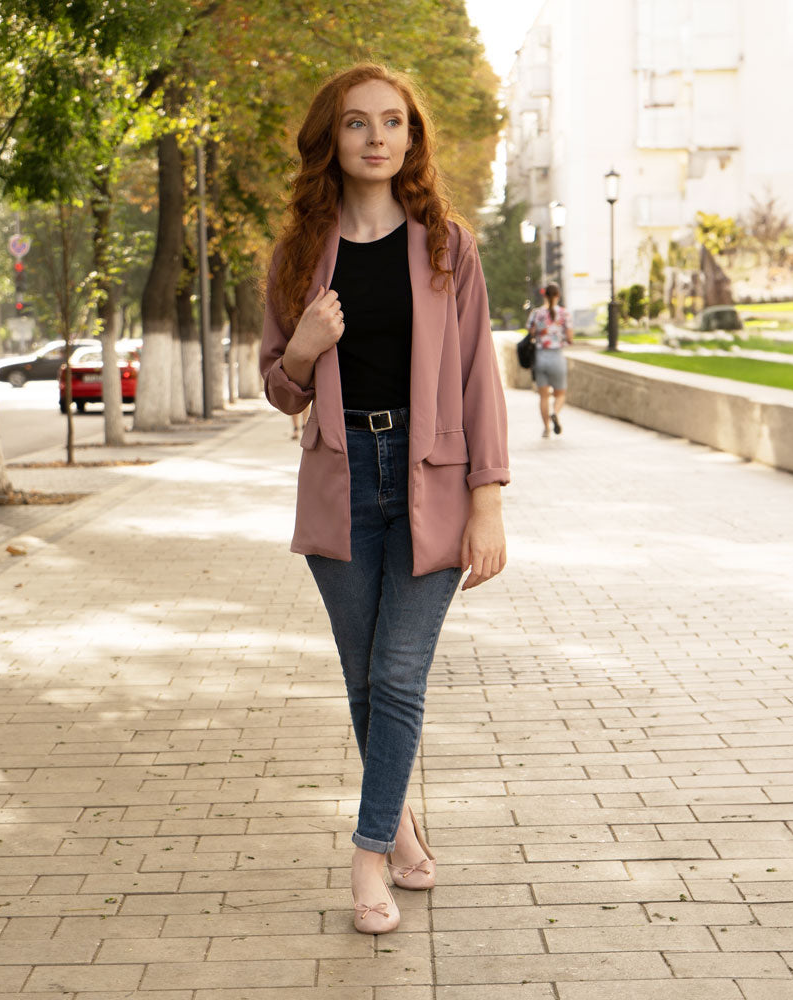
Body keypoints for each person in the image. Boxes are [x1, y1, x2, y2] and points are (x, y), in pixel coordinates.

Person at [259, 63, 509, 935]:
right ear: (331, 138)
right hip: (340, 480)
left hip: (430, 476)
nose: (375, 137)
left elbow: (482, 378)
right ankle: (398, 824)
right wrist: (301, 349)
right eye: (357, 122)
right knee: (367, 681)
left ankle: (366, 852)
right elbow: (280, 389)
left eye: (392, 122)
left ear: (412, 139)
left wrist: (489, 500)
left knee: (399, 675)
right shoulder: (297, 257)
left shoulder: (447, 247)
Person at [527, 282, 573, 437]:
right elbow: (570, 338)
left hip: (540, 357)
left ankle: (546, 428)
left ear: (544, 295)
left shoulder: (536, 313)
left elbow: (531, 333)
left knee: (543, 396)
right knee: (560, 394)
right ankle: (556, 413)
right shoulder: (564, 313)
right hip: (557, 356)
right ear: (558, 295)